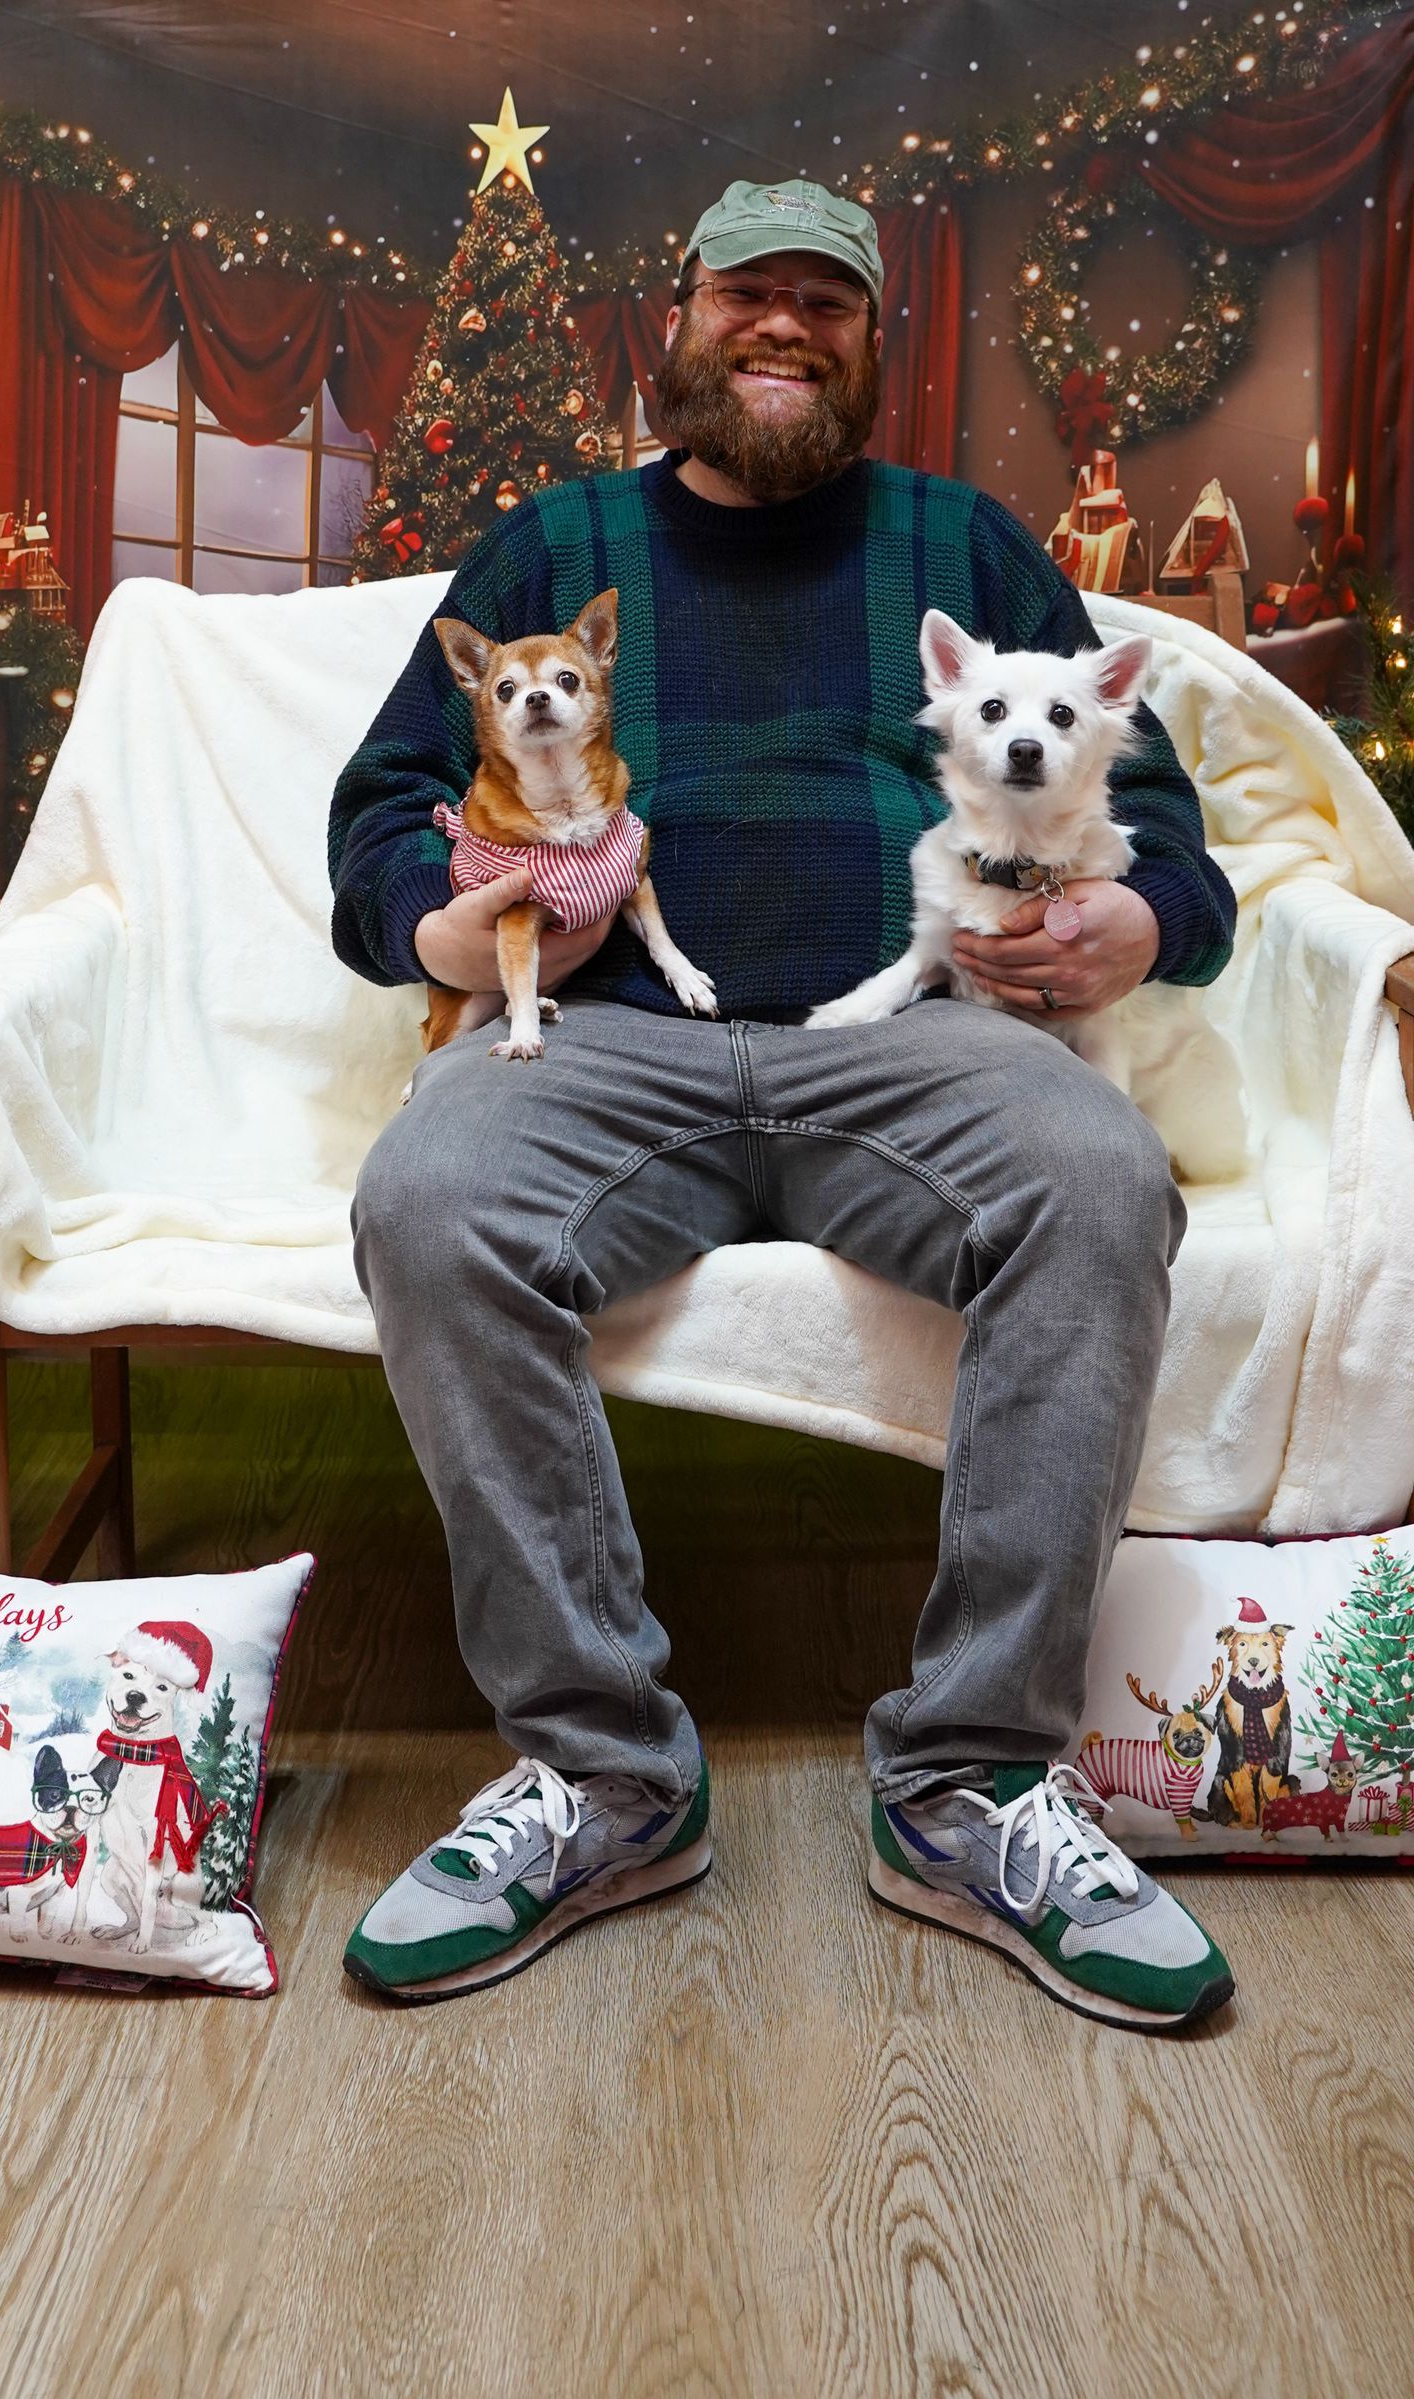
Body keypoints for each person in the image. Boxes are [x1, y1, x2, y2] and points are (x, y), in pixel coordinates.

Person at [326, 179, 1238, 2030]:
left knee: (1095, 1174)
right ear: (675, 316)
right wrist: (436, 924)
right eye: (749, 290)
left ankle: (974, 1780)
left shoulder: (965, 550)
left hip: (911, 1036)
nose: (784, 327)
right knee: (428, 1201)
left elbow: (1182, 852)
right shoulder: (556, 545)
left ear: (872, 345)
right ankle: (605, 1774)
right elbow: (376, 809)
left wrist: (1139, 922)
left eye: (828, 301)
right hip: (595, 1044)